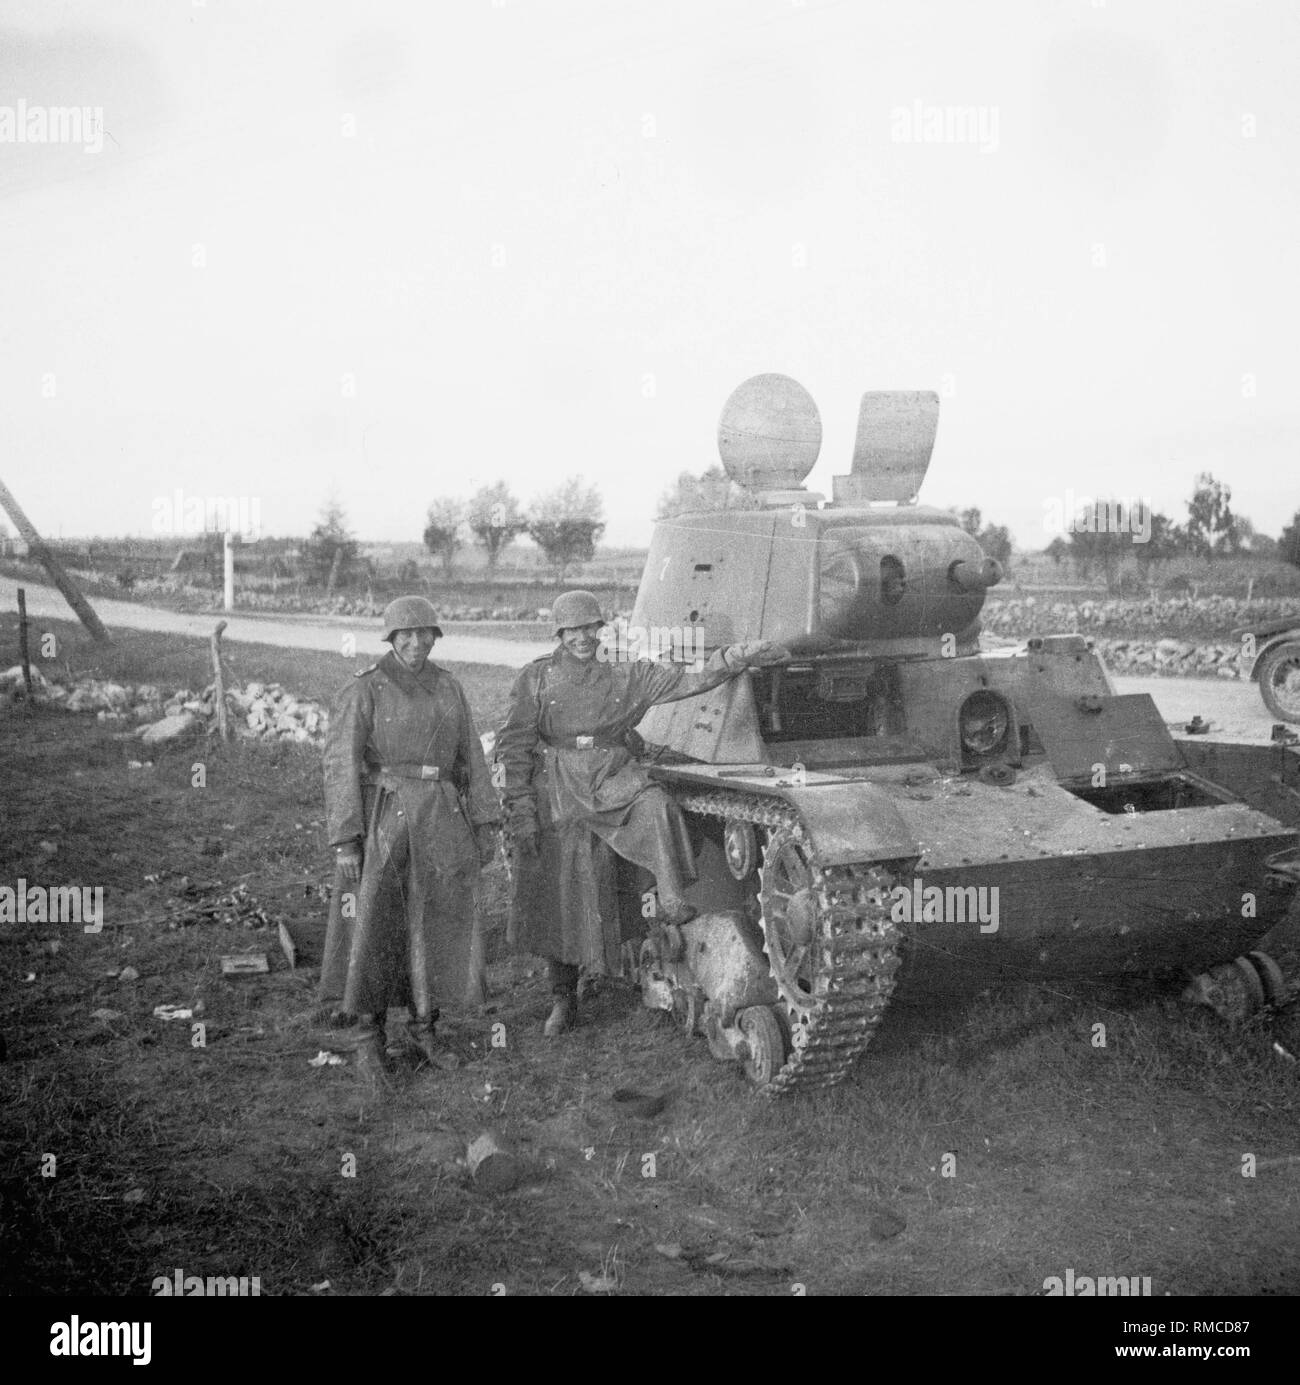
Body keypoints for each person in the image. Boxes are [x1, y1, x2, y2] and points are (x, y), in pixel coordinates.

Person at [496, 589, 783, 1036]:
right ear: (560, 633)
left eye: (591, 628)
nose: (583, 637)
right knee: (562, 893)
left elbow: (688, 678)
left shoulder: (625, 674)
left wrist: (736, 656)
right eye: (573, 630)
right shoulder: (536, 679)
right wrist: (521, 811)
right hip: (557, 787)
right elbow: (513, 746)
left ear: (601, 630)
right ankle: (562, 995)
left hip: (613, 776)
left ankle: (670, 899)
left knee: (656, 806)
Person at [319, 595, 499, 1086]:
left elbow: (472, 761)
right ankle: (369, 1038)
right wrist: (346, 840)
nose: (416, 642)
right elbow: (340, 767)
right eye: (406, 634)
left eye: (425, 634)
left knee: (436, 921)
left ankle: (425, 1027)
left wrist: (484, 821)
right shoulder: (366, 690)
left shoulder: (449, 688)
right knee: (378, 923)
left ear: (435, 637)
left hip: (441, 816)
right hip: (386, 818)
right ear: (390, 639)